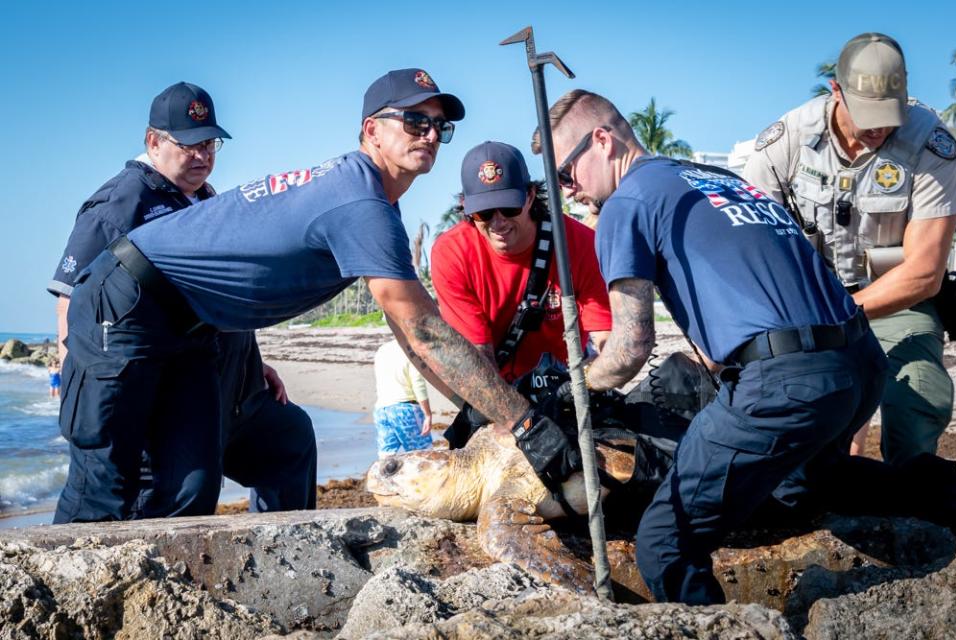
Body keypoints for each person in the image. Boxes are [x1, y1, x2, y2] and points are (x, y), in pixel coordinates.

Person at [54, 68, 572, 524]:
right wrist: (523, 420)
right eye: (415, 122)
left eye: (441, 126)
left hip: (194, 329)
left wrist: (476, 408)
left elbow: (412, 338)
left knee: (191, 485)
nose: (431, 134)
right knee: (104, 484)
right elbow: (426, 330)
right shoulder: (358, 200)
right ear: (371, 129)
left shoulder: (370, 203)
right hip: (124, 304)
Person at [533, 89, 887, 604]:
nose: (568, 193)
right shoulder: (722, 179)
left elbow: (631, 345)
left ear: (603, 141)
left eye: (566, 175)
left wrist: (572, 390)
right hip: (860, 362)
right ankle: (944, 496)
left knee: (664, 541)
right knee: (802, 489)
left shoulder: (626, 202)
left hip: (785, 382)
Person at [51, 81, 316, 522]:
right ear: (153, 141)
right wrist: (76, 375)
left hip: (227, 380)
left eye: (210, 143)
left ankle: (282, 543)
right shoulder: (122, 203)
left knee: (290, 439)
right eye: (190, 144)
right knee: (170, 492)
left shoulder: (207, 199)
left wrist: (253, 361)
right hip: (153, 381)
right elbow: (71, 297)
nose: (203, 155)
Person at [743, 33, 956, 464]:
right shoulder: (785, 143)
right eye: (868, 115)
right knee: (801, 408)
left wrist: (841, 318)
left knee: (920, 393)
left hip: (897, 298)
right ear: (836, 90)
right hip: (810, 301)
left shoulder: (931, 144)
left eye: (888, 114)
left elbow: (924, 272)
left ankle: (913, 511)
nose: (879, 127)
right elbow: (753, 246)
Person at [431, 141, 611, 383]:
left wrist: (589, 381)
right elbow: (477, 357)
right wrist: (511, 416)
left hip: (566, 380)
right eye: (483, 213)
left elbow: (605, 337)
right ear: (465, 207)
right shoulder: (452, 253)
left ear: (530, 196)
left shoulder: (580, 243)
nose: (498, 222)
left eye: (508, 208)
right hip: (494, 383)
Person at [373, 338, 433, 457]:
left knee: (386, 457)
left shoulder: (382, 350)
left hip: (381, 409)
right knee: (422, 455)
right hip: (404, 411)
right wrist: (427, 414)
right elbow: (418, 385)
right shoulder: (410, 350)